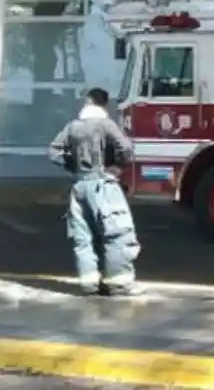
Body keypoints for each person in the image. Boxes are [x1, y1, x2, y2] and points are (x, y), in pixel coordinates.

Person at [47, 88, 143, 296]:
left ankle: (89, 282)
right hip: (103, 185)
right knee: (116, 233)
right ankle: (119, 283)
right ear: (104, 104)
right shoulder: (106, 125)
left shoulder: (73, 127)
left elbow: (53, 152)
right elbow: (126, 150)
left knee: (84, 236)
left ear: (87, 102)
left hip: (79, 186)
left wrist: (73, 166)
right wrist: (115, 168)